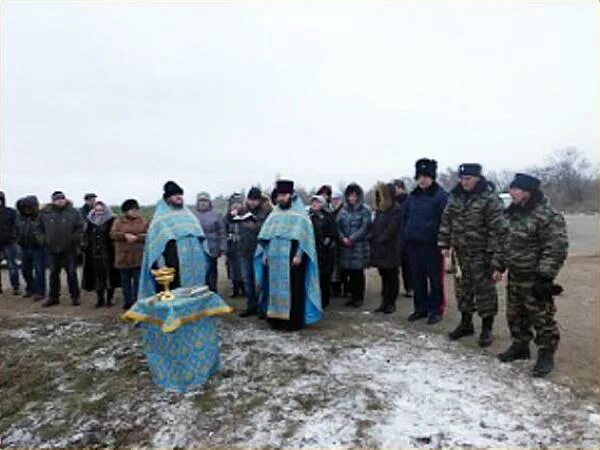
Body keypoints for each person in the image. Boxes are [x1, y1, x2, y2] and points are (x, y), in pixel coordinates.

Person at [492, 173, 568, 377]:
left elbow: (555, 248)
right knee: (515, 315)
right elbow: (503, 242)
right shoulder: (511, 214)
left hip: (535, 278)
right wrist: (499, 266)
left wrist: (545, 277)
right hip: (515, 276)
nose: (512, 193)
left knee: (542, 317)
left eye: (516, 190)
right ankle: (520, 346)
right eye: (512, 189)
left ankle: (546, 352)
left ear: (528, 192)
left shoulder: (546, 216)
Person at [438, 163, 507, 347]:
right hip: (460, 255)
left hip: (481, 255)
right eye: (462, 178)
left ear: (478, 178)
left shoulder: (489, 199)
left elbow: (498, 230)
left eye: (468, 178)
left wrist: (493, 256)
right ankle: (466, 323)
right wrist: (444, 243)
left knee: (485, 293)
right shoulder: (456, 197)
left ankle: (486, 328)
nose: (464, 182)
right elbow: (446, 220)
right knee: (463, 291)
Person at [255, 179, 322, 331]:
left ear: (291, 195)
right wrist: (265, 253)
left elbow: (304, 239)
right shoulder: (274, 214)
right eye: (279, 195)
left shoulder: (300, 215)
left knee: (294, 289)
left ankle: (292, 322)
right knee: (274, 289)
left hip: (292, 257)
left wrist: (299, 255)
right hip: (274, 257)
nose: (281, 198)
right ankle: (275, 320)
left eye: (284, 195)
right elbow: (266, 236)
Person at [138, 181, 208, 298]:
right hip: (172, 258)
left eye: (180, 195)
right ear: (167, 198)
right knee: (174, 288)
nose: (179, 197)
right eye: (176, 195)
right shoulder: (160, 217)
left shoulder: (188, 215)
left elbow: (199, 233)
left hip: (193, 259)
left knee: (195, 288)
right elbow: (156, 241)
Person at [402, 159, 448, 324]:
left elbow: (446, 221)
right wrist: (405, 236)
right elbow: (405, 217)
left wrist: (443, 242)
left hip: (432, 246)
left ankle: (436, 309)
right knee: (417, 279)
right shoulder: (412, 197)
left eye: (426, 176)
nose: (422, 180)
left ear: (432, 177)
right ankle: (420, 308)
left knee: (435, 279)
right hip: (413, 245)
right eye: (420, 176)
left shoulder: (441, 196)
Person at [35, 191, 84, 306]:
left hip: (69, 248)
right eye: (57, 199)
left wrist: (74, 238)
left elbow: (80, 227)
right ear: (53, 201)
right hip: (52, 249)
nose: (60, 201)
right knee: (53, 274)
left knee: (72, 273)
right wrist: (43, 240)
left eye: (62, 199)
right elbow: (37, 228)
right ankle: (53, 297)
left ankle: (75, 296)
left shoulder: (73, 212)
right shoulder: (44, 213)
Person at [238, 187, 272, 317]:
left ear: (259, 200)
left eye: (255, 200)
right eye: (250, 199)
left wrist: (255, 227)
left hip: (260, 250)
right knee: (247, 280)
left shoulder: (268, 211)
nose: (252, 203)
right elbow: (229, 221)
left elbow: (269, 229)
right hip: (244, 249)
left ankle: (263, 308)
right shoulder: (242, 209)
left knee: (261, 280)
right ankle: (250, 306)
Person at [336, 183, 371, 308]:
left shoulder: (365, 210)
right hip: (345, 247)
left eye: (354, 195)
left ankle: (359, 297)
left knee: (358, 273)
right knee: (349, 273)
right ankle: (352, 296)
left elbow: (365, 227)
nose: (352, 198)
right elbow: (337, 226)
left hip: (358, 246)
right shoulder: (343, 210)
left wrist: (352, 238)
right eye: (350, 195)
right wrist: (343, 238)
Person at [370, 182, 403, 314]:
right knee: (384, 276)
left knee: (392, 276)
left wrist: (383, 237)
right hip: (380, 249)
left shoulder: (396, 209)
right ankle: (384, 302)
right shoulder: (380, 210)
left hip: (391, 248)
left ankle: (391, 303)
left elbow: (393, 228)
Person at [110, 199, 148, 310]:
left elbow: (149, 234)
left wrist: (138, 238)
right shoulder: (118, 221)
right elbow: (112, 234)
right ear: (126, 211)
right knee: (125, 281)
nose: (136, 212)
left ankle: (137, 301)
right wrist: (124, 236)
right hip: (123, 256)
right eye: (133, 210)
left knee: (137, 281)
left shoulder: (143, 221)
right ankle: (127, 301)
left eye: (137, 209)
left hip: (138, 256)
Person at [82, 201, 121, 307]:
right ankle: (100, 299)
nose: (99, 212)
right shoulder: (90, 221)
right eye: (96, 210)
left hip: (109, 253)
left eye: (101, 210)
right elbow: (86, 235)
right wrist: (85, 245)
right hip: (94, 253)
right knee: (97, 277)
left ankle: (110, 298)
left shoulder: (111, 220)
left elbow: (113, 235)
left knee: (109, 277)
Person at [193, 192, 227, 292]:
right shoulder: (192, 216)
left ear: (209, 202)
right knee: (201, 272)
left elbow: (222, 232)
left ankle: (213, 292)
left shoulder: (216, 215)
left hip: (212, 248)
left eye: (205, 201)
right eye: (201, 201)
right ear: (197, 202)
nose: (203, 203)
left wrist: (223, 248)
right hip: (197, 248)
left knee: (212, 271)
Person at [308, 194, 338, 309]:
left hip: (325, 252)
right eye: (313, 202)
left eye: (317, 202)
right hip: (312, 250)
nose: (314, 204)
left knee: (324, 278)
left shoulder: (328, 217)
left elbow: (334, 233)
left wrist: (327, 243)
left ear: (322, 204)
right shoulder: (308, 216)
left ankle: (324, 300)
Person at [16, 195, 46, 300]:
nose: (27, 209)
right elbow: (16, 229)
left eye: (29, 207)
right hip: (24, 246)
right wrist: (18, 239)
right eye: (25, 207)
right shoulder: (20, 217)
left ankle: (40, 292)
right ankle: (30, 288)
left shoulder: (41, 217)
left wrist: (42, 241)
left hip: (38, 247)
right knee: (25, 270)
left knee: (39, 270)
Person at [391, 179, 413, 298]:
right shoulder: (392, 201)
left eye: (396, 188)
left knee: (407, 264)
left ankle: (409, 287)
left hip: (404, 236)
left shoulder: (408, 200)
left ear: (401, 187)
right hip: (394, 235)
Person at [0, 191, 20, 295]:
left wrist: (14, 237)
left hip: (9, 242)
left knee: (12, 266)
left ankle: (15, 287)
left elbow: (17, 226)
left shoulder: (11, 212)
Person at [225, 193, 244, 298]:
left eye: (238, 203)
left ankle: (244, 288)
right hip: (231, 245)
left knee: (242, 268)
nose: (236, 205)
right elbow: (223, 229)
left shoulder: (246, 215)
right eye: (234, 203)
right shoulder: (227, 217)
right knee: (232, 268)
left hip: (242, 245)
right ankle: (235, 288)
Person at [330, 190, 345, 297]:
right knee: (335, 266)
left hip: (342, 241)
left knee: (341, 267)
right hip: (335, 242)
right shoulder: (332, 211)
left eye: (336, 199)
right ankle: (336, 289)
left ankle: (343, 288)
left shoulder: (343, 211)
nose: (334, 201)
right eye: (333, 199)